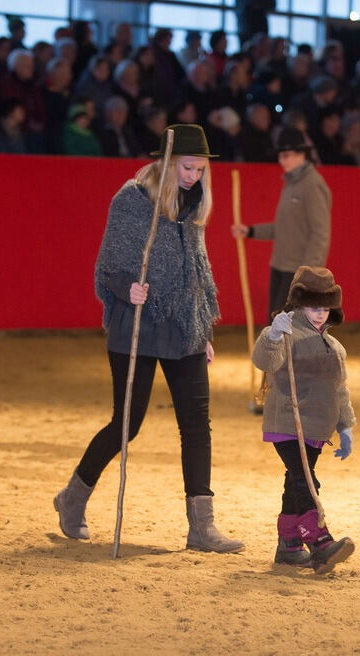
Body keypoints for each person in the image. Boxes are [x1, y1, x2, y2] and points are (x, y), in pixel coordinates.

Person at [54, 124, 243, 554]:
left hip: (183, 328)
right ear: (166, 163)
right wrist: (127, 287)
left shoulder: (194, 205)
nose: (194, 176)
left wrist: (203, 327)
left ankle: (201, 526)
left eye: (199, 169)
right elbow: (110, 264)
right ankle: (72, 496)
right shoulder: (131, 200)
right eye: (187, 168)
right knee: (126, 424)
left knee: (197, 424)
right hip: (137, 325)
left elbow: (198, 272)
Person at [251, 266, 355, 573]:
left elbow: (340, 390)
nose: (320, 314)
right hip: (287, 422)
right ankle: (319, 540)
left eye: (324, 308)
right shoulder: (284, 332)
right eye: (312, 307)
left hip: (316, 428)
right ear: (297, 304)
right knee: (305, 480)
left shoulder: (336, 347)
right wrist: (272, 334)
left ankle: (289, 545)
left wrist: (345, 427)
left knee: (296, 480)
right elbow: (264, 361)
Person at [231, 127, 332, 316]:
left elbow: (320, 233)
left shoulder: (312, 185)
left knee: (285, 327)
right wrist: (251, 231)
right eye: (280, 156)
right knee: (276, 325)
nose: (281, 161)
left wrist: (308, 274)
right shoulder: (291, 183)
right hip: (280, 265)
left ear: (302, 154)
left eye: (286, 155)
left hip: (297, 270)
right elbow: (282, 227)